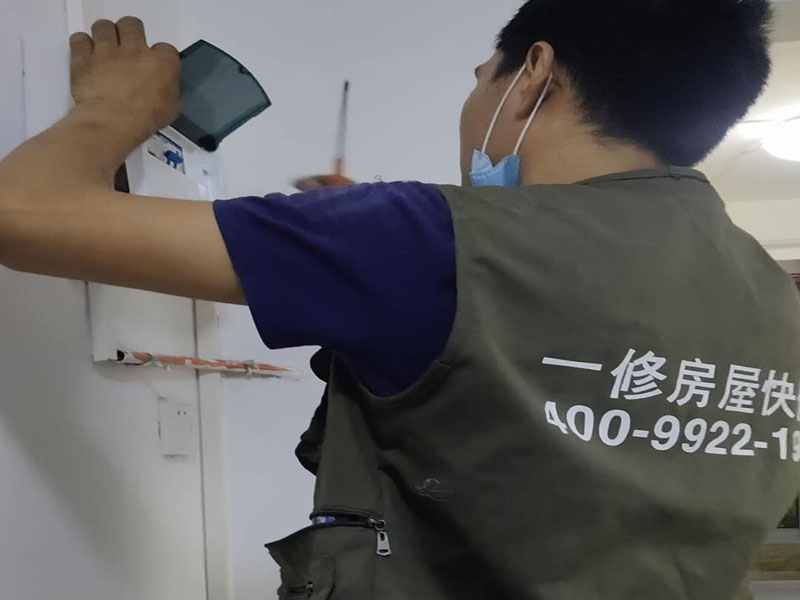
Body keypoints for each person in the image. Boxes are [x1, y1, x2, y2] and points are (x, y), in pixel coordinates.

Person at [0, 2, 796, 598]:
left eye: (482, 80)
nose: (473, 106)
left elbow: (22, 214)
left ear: (533, 75)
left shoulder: (418, 238)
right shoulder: (770, 289)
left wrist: (115, 109)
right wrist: (368, 253)